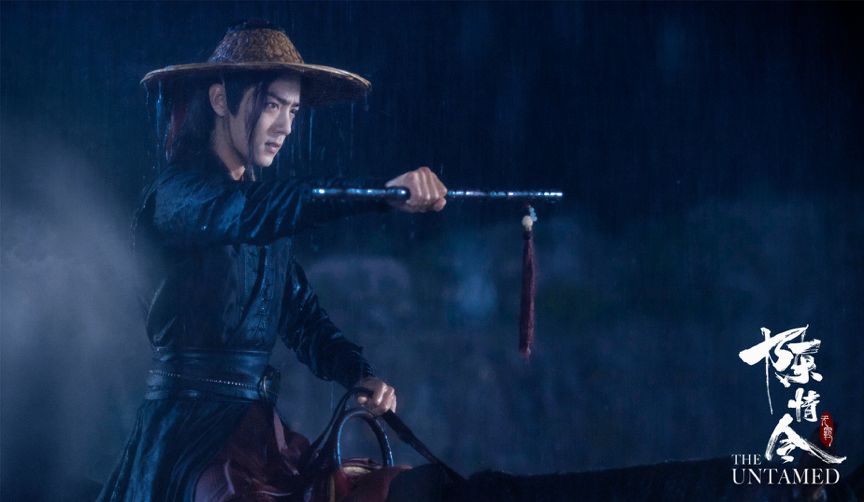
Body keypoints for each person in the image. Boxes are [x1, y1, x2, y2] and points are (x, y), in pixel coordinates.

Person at [98, 20, 447, 502]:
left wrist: (357, 373)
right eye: (271, 105)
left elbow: (302, 317)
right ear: (220, 100)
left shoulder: (261, 211)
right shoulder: (179, 196)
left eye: (293, 110)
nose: (285, 127)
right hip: (186, 433)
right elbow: (252, 213)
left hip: (255, 429)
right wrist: (379, 194)